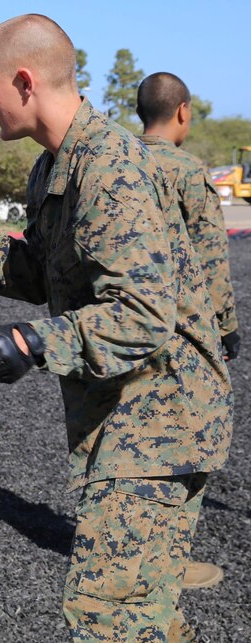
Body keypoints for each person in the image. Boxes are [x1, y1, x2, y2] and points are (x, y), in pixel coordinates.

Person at [0, 14, 231, 641]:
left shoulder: (109, 168)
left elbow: (142, 312)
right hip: (126, 416)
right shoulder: (52, 166)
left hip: (161, 419)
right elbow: (44, 278)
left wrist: (35, 341)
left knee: (105, 617)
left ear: (25, 81)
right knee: (150, 615)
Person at [136, 71, 240, 592]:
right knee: (188, 443)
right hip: (183, 332)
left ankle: (134, 550)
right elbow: (210, 257)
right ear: (183, 111)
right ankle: (166, 561)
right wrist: (227, 327)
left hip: (127, 327)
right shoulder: (187, 169)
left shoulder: (120, 161)